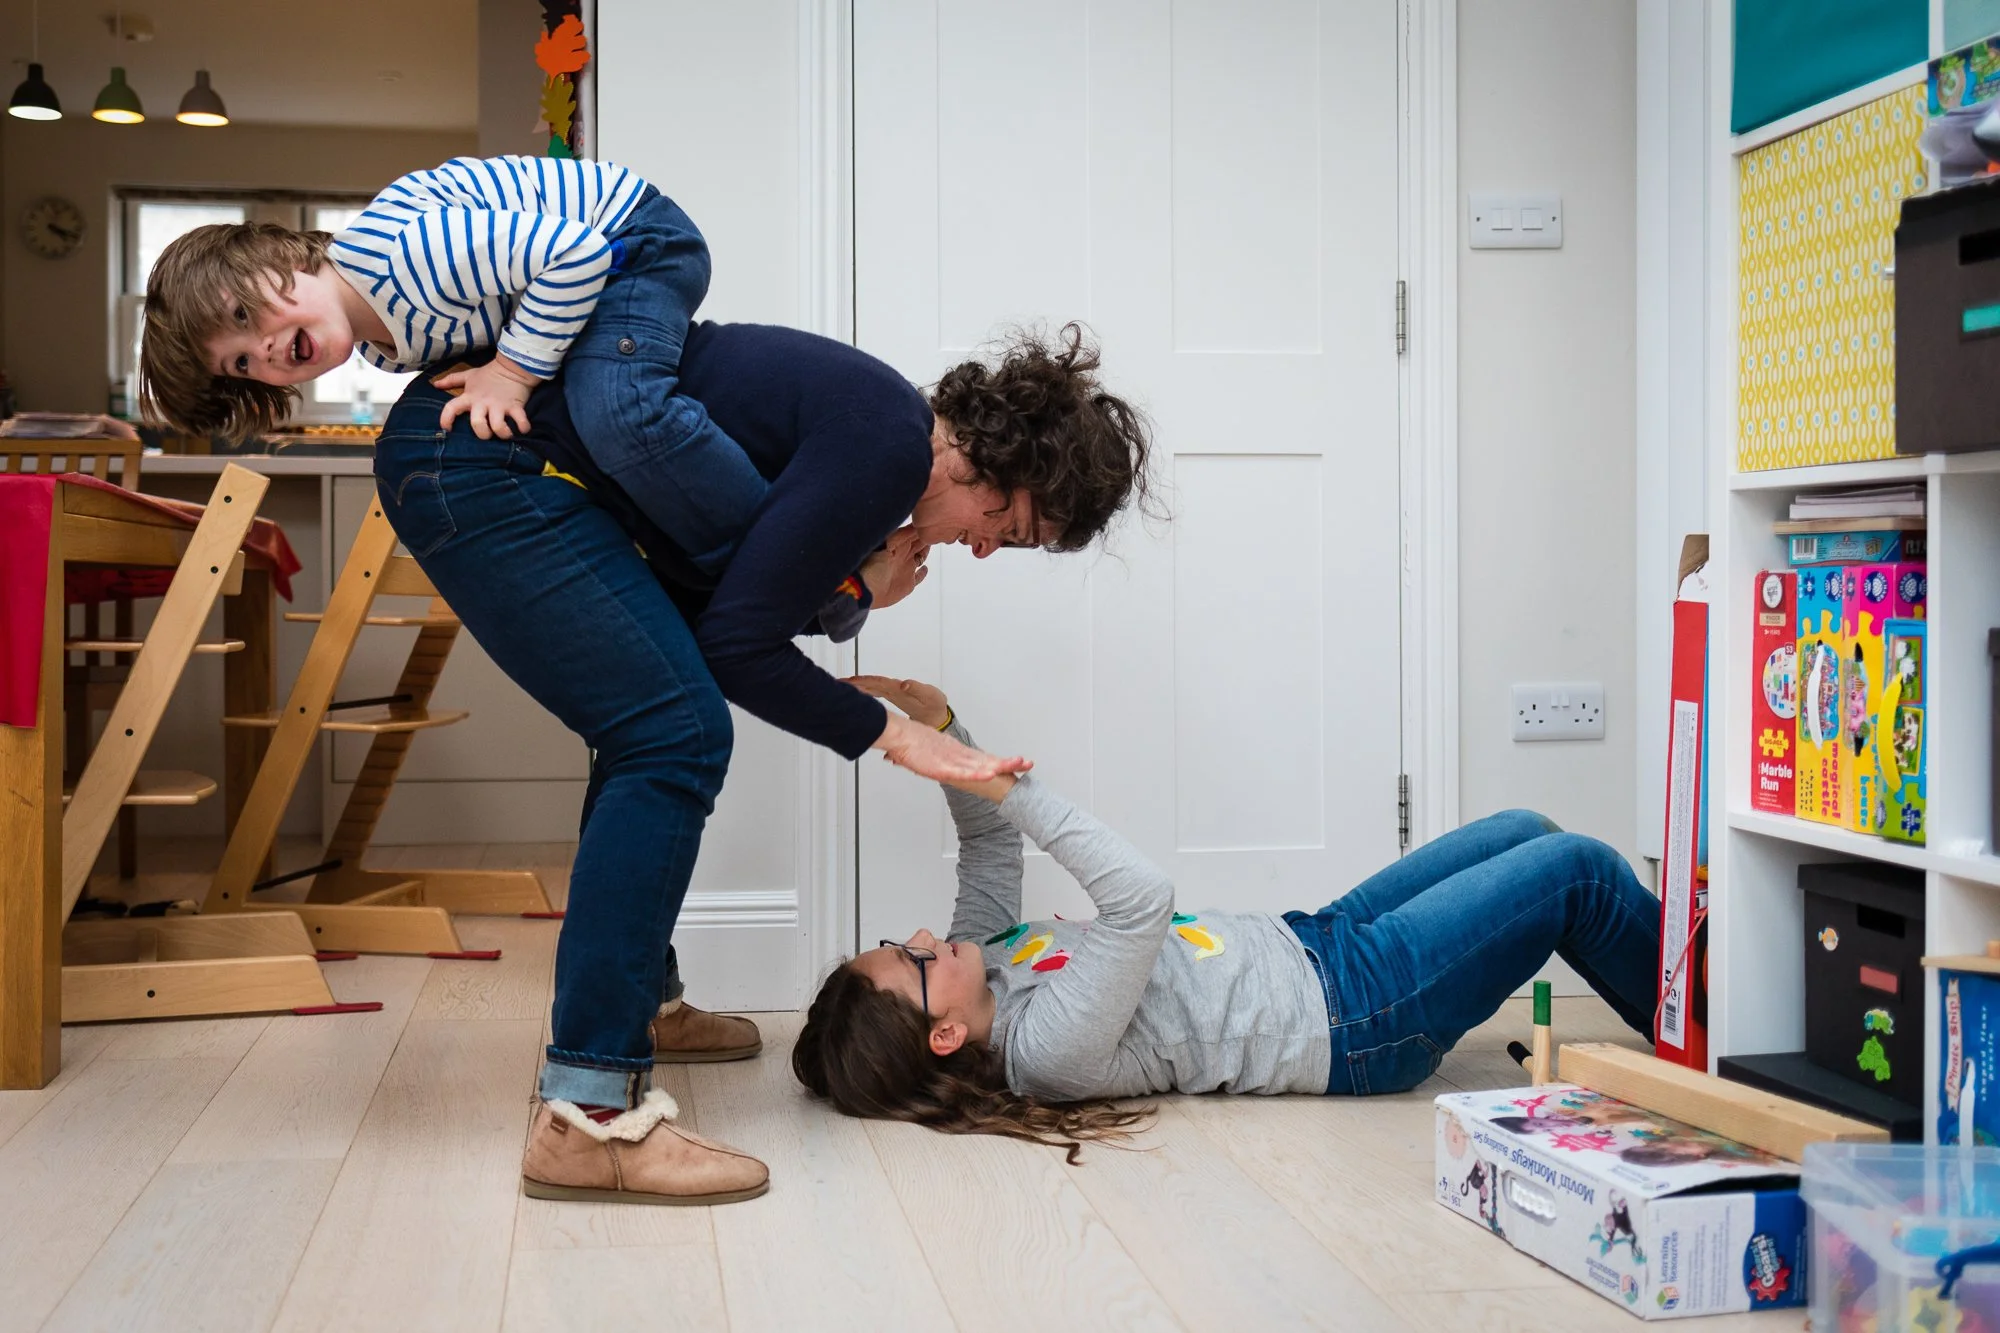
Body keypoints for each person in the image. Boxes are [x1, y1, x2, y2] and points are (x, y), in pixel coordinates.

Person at [368, 320, 1151, 1206]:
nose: (980, 550)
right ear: (997, 464)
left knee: (655, 716)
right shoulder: (890, 449)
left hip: (479, 458)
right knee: (673, 731)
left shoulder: (883, 435)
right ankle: (587, 1115)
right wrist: (897, 735)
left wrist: (856, 591)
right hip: (485, 461)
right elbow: (739, 646)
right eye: (1005, 529)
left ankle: (639, 1007)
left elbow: (726, 604)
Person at [792, 677, 1664, 1162]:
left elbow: (988, 847)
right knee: (1577, 872)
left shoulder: (984, 962)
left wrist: (942, 727)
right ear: (944, 1035)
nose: (919, 939)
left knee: (1526, 830)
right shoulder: (1047, 1051)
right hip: (1356, 1015)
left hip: (1313, 940)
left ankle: (1671, 1001)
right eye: (910, 962)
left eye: (895, 942)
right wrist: (1007, 783)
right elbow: (1140, 899)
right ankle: (1710, 1036)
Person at [139, 153, 799, 590]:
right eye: (242, 363)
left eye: (245, 311)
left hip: (635, 239)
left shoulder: (403, 260)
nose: (265, 348)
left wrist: (510, 370)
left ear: (282, 254)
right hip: (595, 270)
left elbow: (574, 253)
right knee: (588, 433)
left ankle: (791, 558)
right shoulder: (382, 347)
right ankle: (733, 563)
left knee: (617, 410)